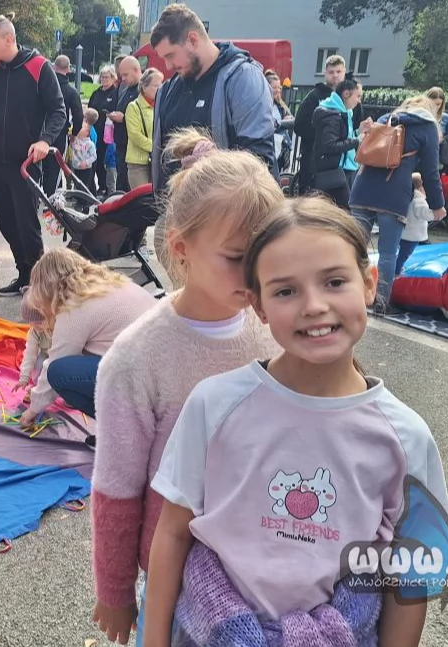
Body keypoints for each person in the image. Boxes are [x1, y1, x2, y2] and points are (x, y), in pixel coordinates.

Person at [143, 197, 448, 647]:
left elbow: (409, 578)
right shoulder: (216, 403)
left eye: (334, 281)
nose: (313, 306)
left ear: (368, 283)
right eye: (286, 290)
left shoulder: (404, 438)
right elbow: (172, 533)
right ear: (259, 306)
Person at [91, 130, 285, 646]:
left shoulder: (276, 328)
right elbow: (116, 489)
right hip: (176, 571)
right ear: (181, 249)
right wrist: (114, 592)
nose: (257, 273)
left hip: (266, 557)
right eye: (237, 256)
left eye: (267, 253)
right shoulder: (136, 358)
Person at [17, 248, 157, 429]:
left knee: (59, 373)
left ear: (46, 288)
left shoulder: (74, 305)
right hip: (165, 370)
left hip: (147, 379)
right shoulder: (108, 283)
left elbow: (55, 361)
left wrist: (32, 411)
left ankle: (125, 428)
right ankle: (129, 424)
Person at [0, 14, 67, 297]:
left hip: (25, 164)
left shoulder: (39, 67)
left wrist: (44, 140)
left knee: (27, 223)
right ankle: (23, 273)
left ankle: (40, 279)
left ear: (9, 39)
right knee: (6, 222)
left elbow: (58, 111)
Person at [148, 3, 275, 199]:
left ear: (192, 39)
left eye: (171, 55)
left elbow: (260, 161)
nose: (167, 66)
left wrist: (213, 163)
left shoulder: (243, 79)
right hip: (177, 216)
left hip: (228, 218)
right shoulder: (168, 89)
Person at [350, 95, 447, 314]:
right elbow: (431, 171)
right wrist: (437, 204)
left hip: (363, 187)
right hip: (393, 194)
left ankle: (347, 292)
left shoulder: (388, 117)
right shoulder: (427, 128)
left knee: (353, 246)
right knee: (387, 253)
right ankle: (381, 301)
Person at [293, 54, 366, 192]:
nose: (335, 75)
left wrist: (356, 135)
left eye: (338, 72)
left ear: (344, 72)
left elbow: (354, 125)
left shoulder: (353, 99)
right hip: (317, 160)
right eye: (331, 72)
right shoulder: (314, 97)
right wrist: (324, 134)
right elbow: (300, 125)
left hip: (344, 163)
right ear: (325, 73)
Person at [310, 78, 367, 210]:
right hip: (337, 172)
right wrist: (357, 140)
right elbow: (329, 146)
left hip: (340, 170)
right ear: (346, 94)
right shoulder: (333, 116)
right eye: (357, 96)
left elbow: (340, 138)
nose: (359, 101)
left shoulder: (340, 112)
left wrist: (358, 131)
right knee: (343, 211)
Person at [46, 54, 85, 196]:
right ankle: (50, 198)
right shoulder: (71, 91)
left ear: (54, 67)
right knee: (55, 167)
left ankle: (38, 196)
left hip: (40, 131)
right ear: (68, 69)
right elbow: (78, 116)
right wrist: (74, 133)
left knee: (40, 165)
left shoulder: (44, 87)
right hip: (59, 132)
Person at [108, 56, 143, 191]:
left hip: (133, 148)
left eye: (125, 75)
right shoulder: (126, 89)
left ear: (136, 70)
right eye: (121, 75)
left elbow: (146, 116)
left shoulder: (142, 90)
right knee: (121, 180)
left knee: (129, 184)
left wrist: (124, 118)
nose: (123, 78)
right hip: (121, 144)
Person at [124, 68, 162, 190]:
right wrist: (156, 147)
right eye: (156, 85)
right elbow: (135, 135)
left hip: (156, 162)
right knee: (142, 201)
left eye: (162, 84)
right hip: (138, 163)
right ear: (144, 87)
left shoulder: (160, 106)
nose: (160, 89)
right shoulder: (133, 107)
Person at [88, 65, 120, 196]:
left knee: (107, 160)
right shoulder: (96, 93)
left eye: (107, 77)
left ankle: (108, 187)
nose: (104, 80)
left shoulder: (115, 93)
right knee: (95, 159)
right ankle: (100, 185)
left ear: (113, 78)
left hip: (109, 133)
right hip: (95, 131)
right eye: (102, 77)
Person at [16, 293, 52, 399]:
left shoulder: (59, 327)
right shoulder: (34, 332)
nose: (36, 325)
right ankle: (38, 387)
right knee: (39, 363)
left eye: (40, 321)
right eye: (31, 322)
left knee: (53, 368)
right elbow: (30, 354)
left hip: (61, 356)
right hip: (46, 354)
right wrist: (24, 377)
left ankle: (60, 389)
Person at [395, 173, 433, 276]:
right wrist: (434, 214)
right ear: (421, 187)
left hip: (405, 232)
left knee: (402, 251)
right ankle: (396, 270)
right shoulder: (419, 200)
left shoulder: (407, 197)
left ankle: (396, 267)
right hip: (413, 235)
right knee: (405, 254)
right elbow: (424, 213)